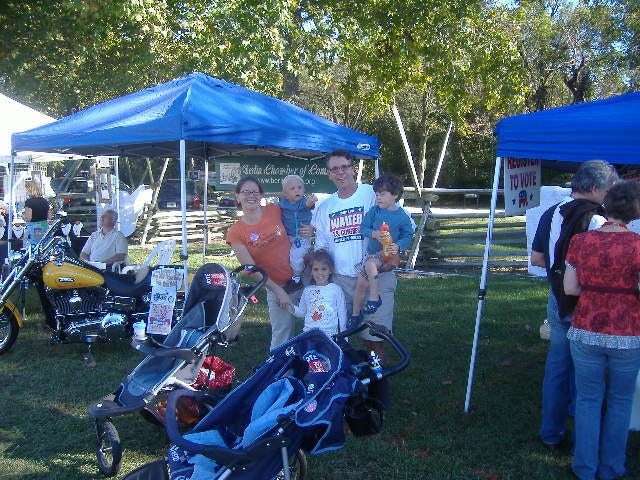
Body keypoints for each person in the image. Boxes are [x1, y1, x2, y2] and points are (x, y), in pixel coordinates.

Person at [530, 159, 619, 449]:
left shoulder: (551, 213)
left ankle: (551, 433)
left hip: (557, 296)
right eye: (609, 189)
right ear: (595, 188)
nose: (611, 195)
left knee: (558, 365)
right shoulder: (598, 220)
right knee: (589, 372)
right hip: (586, 301)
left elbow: (538, 259)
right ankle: (585, 437)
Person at [563, 180, 640, 480]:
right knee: (620, 401)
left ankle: (584, 467)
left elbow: (570, 288)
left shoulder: (581, 241)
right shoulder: (637, 246)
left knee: (588, 399)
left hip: (585, 328)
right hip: (627, 332)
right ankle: (611, 468)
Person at [311, 150, 410, 361]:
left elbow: (402, 226)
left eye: (344, 167)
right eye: (334, 169)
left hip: (377, 276)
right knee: (333, 338)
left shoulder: (372, 194)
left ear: (352, 168)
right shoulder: (325, 207)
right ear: (328, 174)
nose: (340, 173)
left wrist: (392, 257)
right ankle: (342, 388)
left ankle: (377, 387)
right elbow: (322, 249)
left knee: (374, 340)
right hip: (340, 281)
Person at [226, 176, 303, 350]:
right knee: (282, 337)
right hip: (277, 286)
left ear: (261, 195)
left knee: (321, 322)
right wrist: (278, 292)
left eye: (255, 191)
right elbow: (251, 269)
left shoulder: (275, 209)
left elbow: (299, 213)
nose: (251, 195)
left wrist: (307, 229)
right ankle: (280, 374)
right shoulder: (235, 232)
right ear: (237, 197)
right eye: (246, 192)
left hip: (302, 275)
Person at [350, 172, 413, 323]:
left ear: (395, 195)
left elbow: (408, 235)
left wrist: (398, 245)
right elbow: (363, 228)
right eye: (377, 194)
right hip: (372, 254)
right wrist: (374, 234)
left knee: (370, 265)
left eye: (382, 194)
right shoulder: (374, 211)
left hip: (388, 255)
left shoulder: (402, 216)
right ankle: (355, 314)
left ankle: (374, 297)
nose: (378, 197)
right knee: (360, 284)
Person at [289, 250, 347, 337]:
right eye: (316, 269)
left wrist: (343, 335)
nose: (320, 273)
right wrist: (288, 305)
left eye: (324, 269)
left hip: (330, 334)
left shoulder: (335, 289)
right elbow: (301, 312)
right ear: (311, 272)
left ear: (330, 270)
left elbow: (342, 313)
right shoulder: (307, 291)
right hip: (309, 334)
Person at [278, 174, 318, 292]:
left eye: (300, 188)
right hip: (288, 237)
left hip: (301, 237)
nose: (297, 190)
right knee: (287, 256)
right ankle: (288, 276)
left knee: (296, 256)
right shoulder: (283, 203)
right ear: (285, 193)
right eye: (292, 188)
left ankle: (296, 279)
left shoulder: (303, 202)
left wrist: (311, 200)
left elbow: (308, 204)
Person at [23, 179, 50, 246]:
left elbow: (29, 218)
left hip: (34, 227)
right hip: (44, 225)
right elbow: (49, 216)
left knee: (35, 246)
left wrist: (23, 216)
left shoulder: (29, 202)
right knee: (43, 245)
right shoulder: (45, 201)